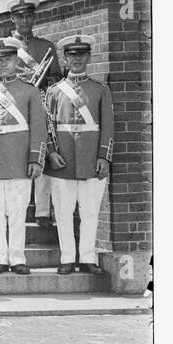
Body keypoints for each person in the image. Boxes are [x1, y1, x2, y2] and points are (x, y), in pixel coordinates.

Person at [0, 37, 48, 275]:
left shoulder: (30, 91)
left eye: (8, 59)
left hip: (19, 159)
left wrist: (35, 158)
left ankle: (17, 258)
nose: (3, 64)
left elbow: (39, 128)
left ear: (16, 60)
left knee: (17, 211)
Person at [44, 34, 113, 275]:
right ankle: (66, 258)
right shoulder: (54, 91)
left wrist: (104, 157)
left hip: (90, 159)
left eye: (81, 54)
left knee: (90, 212)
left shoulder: (99, 90)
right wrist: (51, 152)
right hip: (62, 159)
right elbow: (48, 125)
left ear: (89, 56)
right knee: (63, 212)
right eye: (72, 55)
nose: (77, 59)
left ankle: (87, 258)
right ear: (65, 58)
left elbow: (107, 125)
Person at [5, 0, 64, 228]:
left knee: (42, 151)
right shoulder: (8, 47)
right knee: (17, 153)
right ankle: (15, 207)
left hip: (41, 104)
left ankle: (41, 211)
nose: (25, 21)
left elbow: (57, 78)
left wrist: (43, 79)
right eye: (20, 16)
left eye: (28, 16)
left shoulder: (46, 46)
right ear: (12, 19)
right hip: (16, 106)